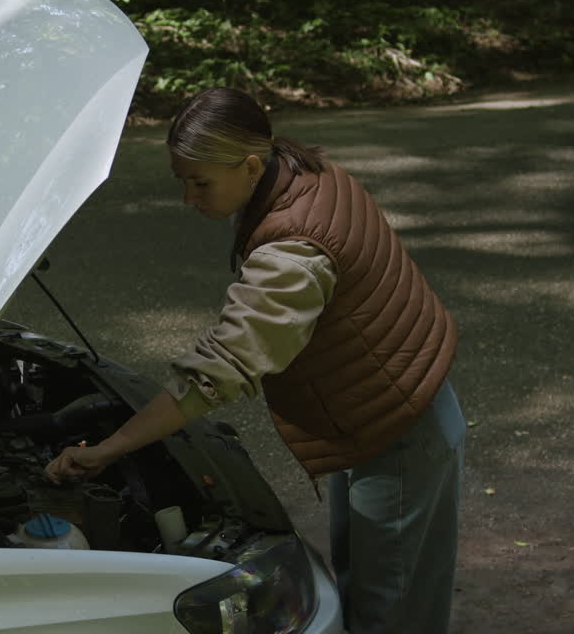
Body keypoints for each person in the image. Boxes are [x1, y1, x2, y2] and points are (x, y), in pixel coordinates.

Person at [45, 87, 465, 634]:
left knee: (392, 612)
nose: (190, 198)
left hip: (401, 432)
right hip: (380, 413)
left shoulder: (295, 250)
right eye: (183, 180)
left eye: (201, 182)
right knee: (366, 589)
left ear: (248, 165)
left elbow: (221, 367)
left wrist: (110, 448)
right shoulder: (299, 170)